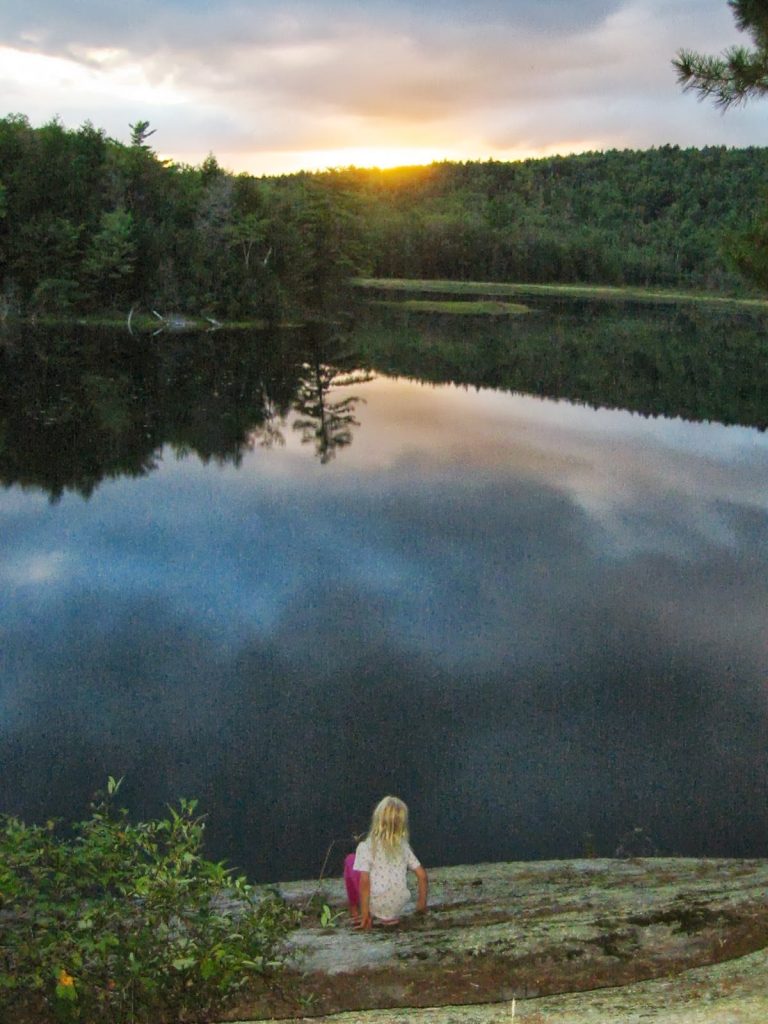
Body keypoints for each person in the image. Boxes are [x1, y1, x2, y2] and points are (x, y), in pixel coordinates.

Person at [343, 795, 428, 929]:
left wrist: (366, 915)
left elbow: (364, 881)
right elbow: (422, 875)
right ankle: (390, 917)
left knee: (350, 860)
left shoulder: (366, 846)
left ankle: (356, 913)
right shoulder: (404, 846)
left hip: (376, 904)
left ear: (377, 819)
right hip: (400, 903)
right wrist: (421, 905)